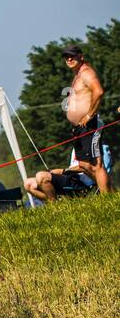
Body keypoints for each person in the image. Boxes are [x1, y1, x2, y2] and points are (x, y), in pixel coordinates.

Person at [61, 44, 109, 194]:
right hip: (79, 127)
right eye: (66, 57)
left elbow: (99, 91)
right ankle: (109, 190)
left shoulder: (86, 72)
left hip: (91, 124)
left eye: (72, 56)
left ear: (81, 56)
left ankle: (108, 197)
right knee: (83, 164)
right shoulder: (77, 75)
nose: (69, 59)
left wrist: (89, 115)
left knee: (96, 164)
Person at [26, 151, 94, 202]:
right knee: (28, 184)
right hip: (69, 176)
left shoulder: (89, 144)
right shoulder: (77, 145)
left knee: (41, 176)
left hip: (80, 181)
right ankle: (56, 202)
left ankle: (55, 205)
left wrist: (63, 171)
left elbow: (88, 167)